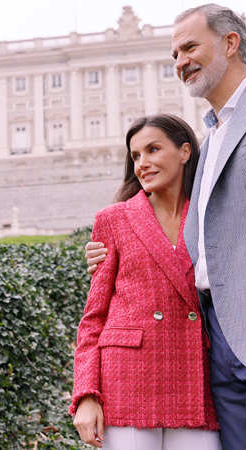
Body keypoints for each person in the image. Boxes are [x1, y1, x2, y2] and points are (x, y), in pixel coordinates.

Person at [85, 4, 246, 449]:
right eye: (174, 54)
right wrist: (115, 253)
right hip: (215, 345)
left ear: (230, 43)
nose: (180, 61)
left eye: (189, 47)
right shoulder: (209, 139)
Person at [71, 114, 221, 449]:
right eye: (136, 156)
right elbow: (93, 319)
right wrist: (85, 395)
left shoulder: (211, 214)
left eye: (153, 150)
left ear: (185, 151)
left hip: (195, 376)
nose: (143, 163)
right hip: (126, 381)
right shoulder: (113, 220)